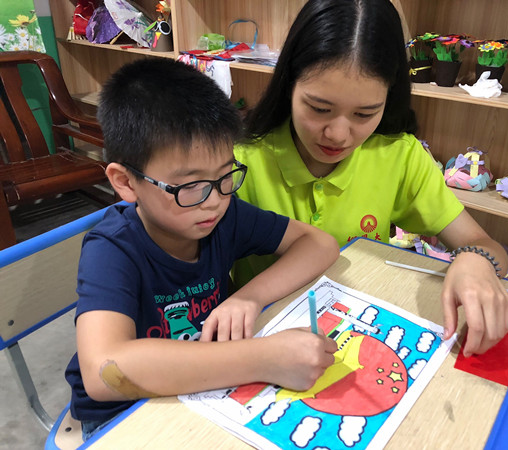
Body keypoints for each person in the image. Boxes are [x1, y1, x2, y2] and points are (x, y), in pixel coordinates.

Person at [65, 58, 339, 441]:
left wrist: (249, 297)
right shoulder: (112, 249)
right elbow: (104, 372)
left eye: (225, 175)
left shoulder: (224, 216)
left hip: (203, 392)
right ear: (125, 182)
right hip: (125, 414)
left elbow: (320, 244)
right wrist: (264, 358)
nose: (214, 201)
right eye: (189, 185)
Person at [233, 0, 508, 359]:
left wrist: (476, 261)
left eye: (365, 113)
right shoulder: (238, 161)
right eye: (319, 108)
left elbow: (484, 245)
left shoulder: (398, 155)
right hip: (261, 350)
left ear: (389, 98)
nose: (338, 135)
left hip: (358, 343)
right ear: (288, 84)